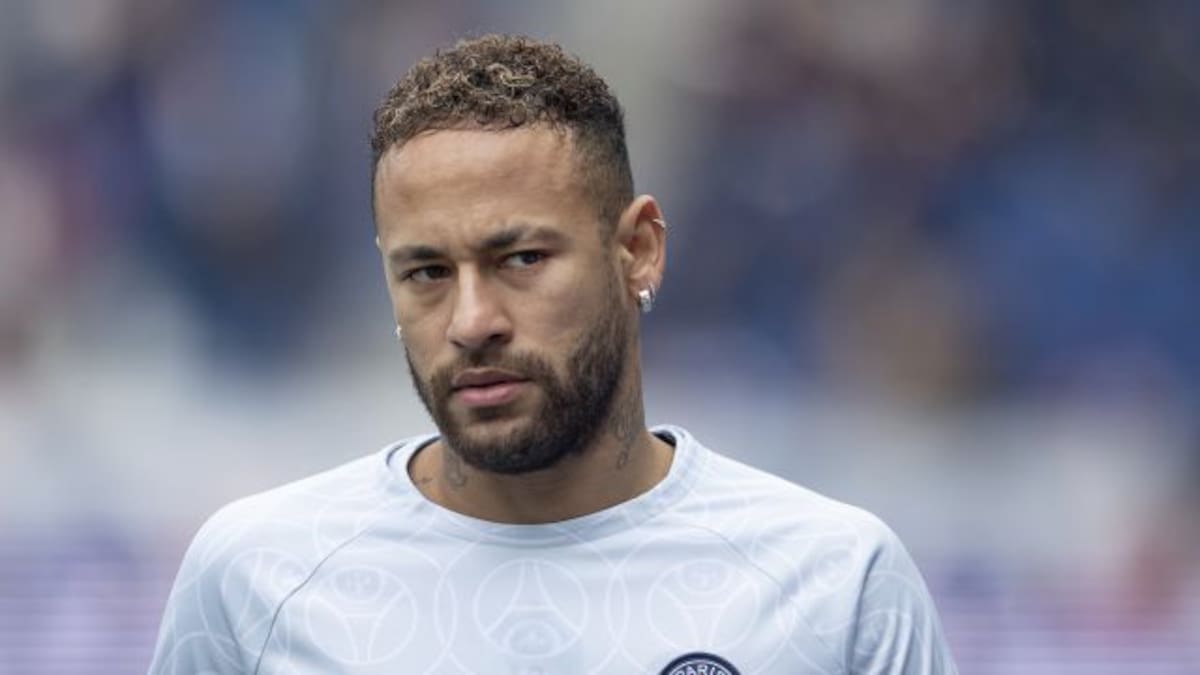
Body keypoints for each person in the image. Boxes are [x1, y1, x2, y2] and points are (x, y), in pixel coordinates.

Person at [149, 34, 957, 675]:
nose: (472, 321)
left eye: (521, 258)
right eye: (427, 272)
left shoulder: (833, 583)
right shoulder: (256, 577)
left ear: (638, 250)